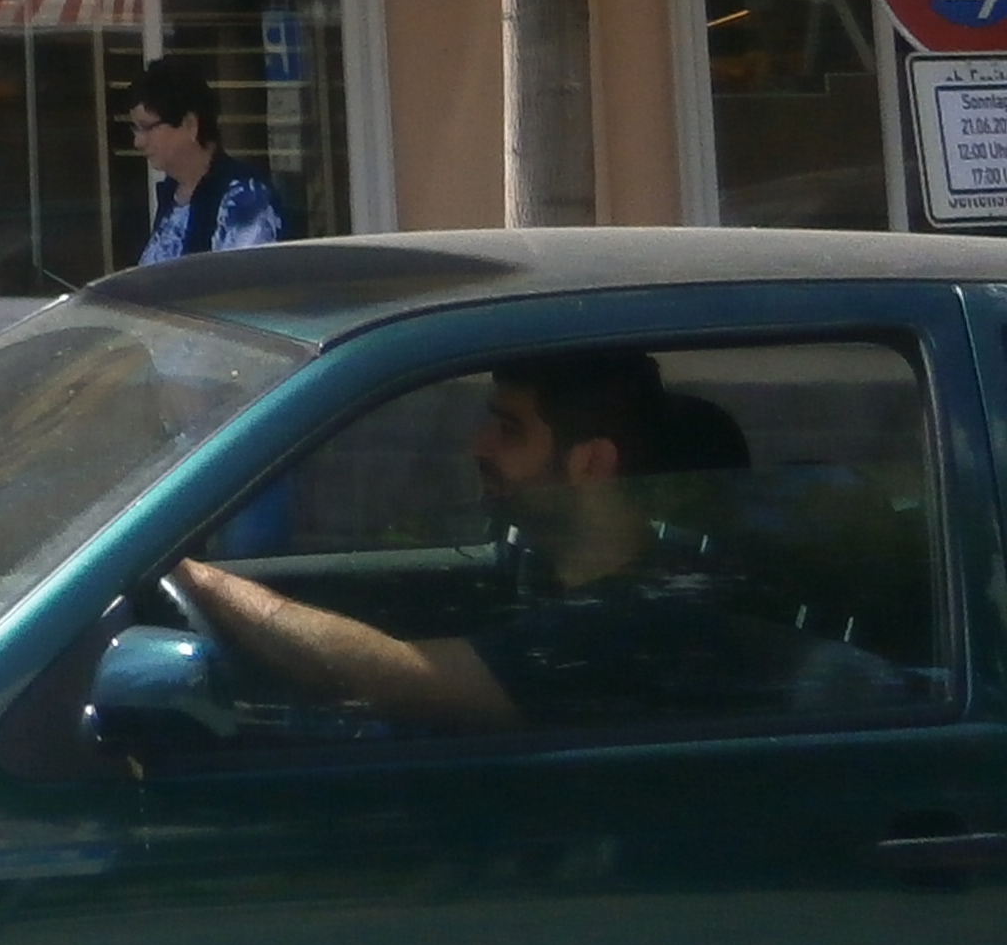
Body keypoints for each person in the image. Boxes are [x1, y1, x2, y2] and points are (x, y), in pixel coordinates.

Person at [172, 350, 788, 731]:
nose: (478, 447)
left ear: (592, 463)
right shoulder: (549, 579)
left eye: (510, 431)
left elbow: (392, 678)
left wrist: (188, 574)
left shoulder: (631, 626)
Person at [128, 55, 288, 264]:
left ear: (190, 124)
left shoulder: (244, 196)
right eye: (136, 129)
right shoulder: (173, 194)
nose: (138, 141)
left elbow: (242, 285)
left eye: (147, 127)